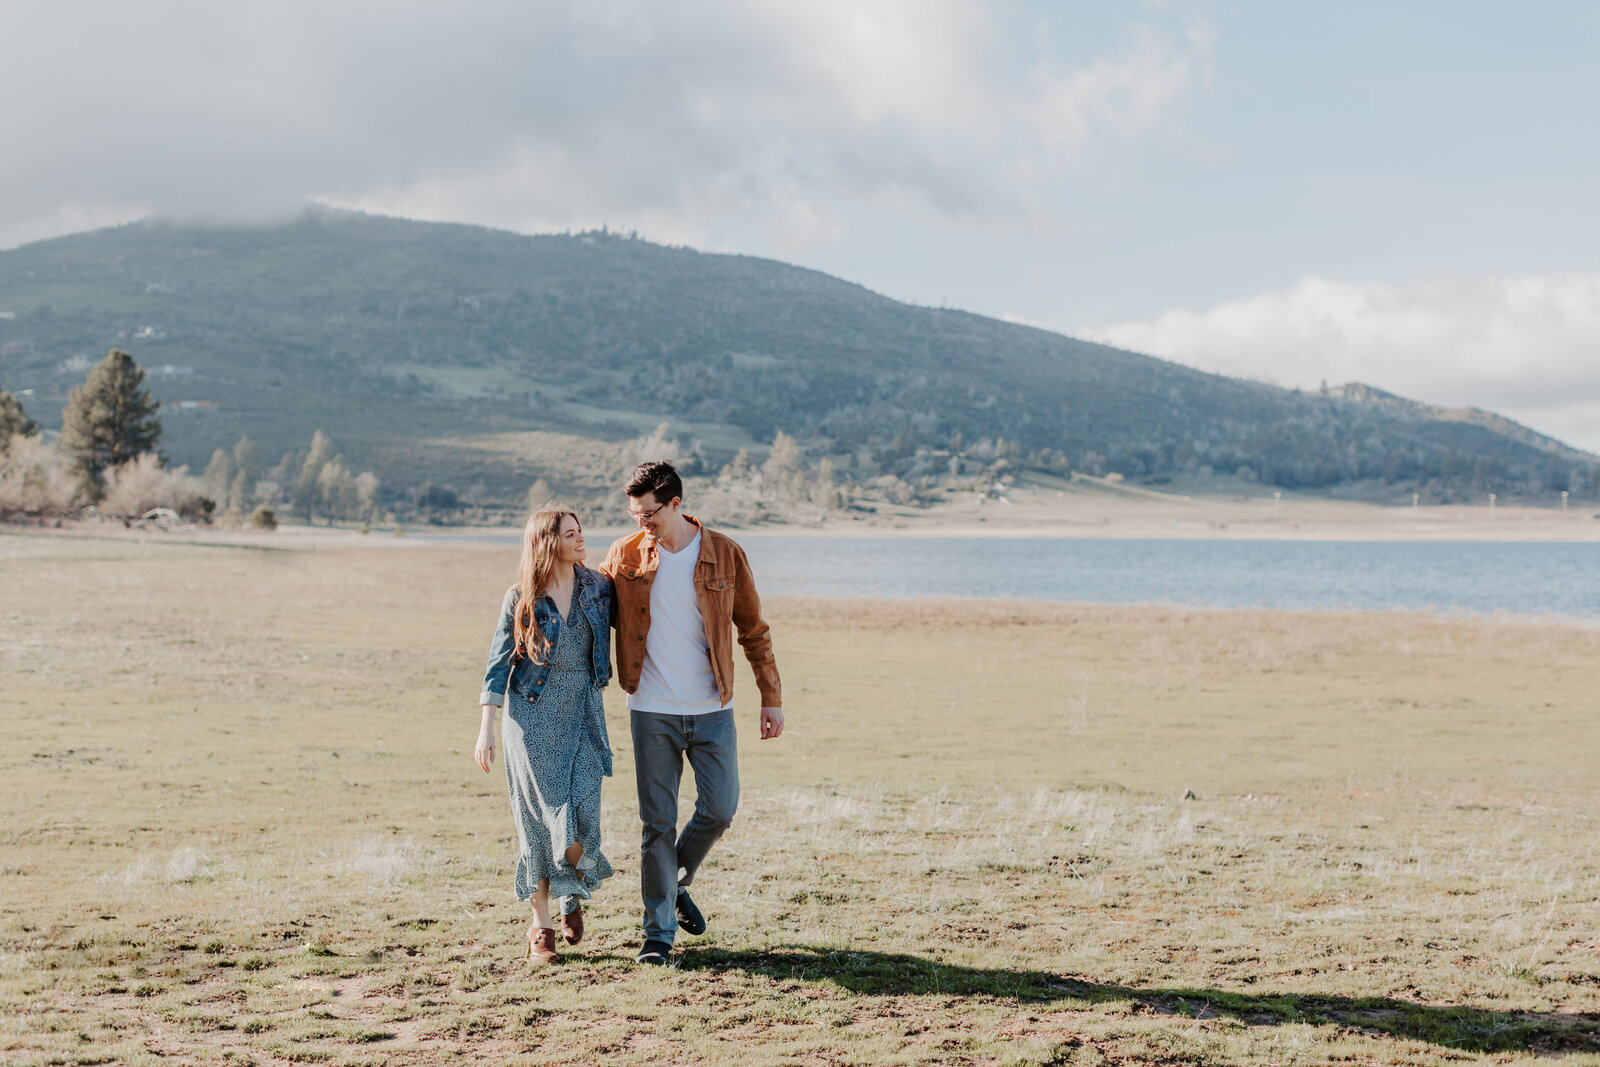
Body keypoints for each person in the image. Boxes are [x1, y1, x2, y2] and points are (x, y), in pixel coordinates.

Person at [600, 460, 784, 966]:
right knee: (656, 824)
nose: (643, 524)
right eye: (636, 515)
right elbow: (592, 612)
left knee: (720, 808)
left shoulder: (724, 554)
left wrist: (771, 696)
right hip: (651, 710)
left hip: (712, 709)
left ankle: (674, 880)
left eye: (650, 514)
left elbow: (754, 630)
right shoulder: (625, 554)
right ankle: (657, 936)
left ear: (676, 504)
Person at [476, 505, 616, 963]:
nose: (581, 539)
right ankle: (541, 927)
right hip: (530, 721)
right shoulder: (520, 598)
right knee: (537, 825)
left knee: (582, 816)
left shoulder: (599, 588)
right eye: (571, 534)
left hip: (583, 713)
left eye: (581, 531)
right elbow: (498, 666)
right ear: (547, 542)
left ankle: (570, 892)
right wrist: (486, 729)